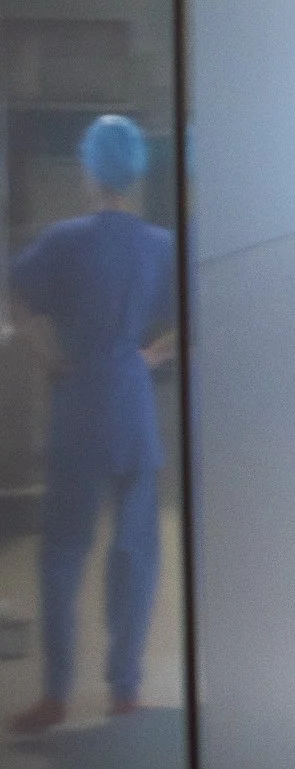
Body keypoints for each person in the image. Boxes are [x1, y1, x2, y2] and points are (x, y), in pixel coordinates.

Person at [8, 115, 177, 735]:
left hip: (77, 404)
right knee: (135, 550)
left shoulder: (63, 240)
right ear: (135, 173)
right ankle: (125, 687)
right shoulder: (157, 246)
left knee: (61, 551)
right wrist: (151, 355)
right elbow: (191, 311)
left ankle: (55, 693)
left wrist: (47, 355)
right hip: (130, 407)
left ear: (87, 168)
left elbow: (17, 295)